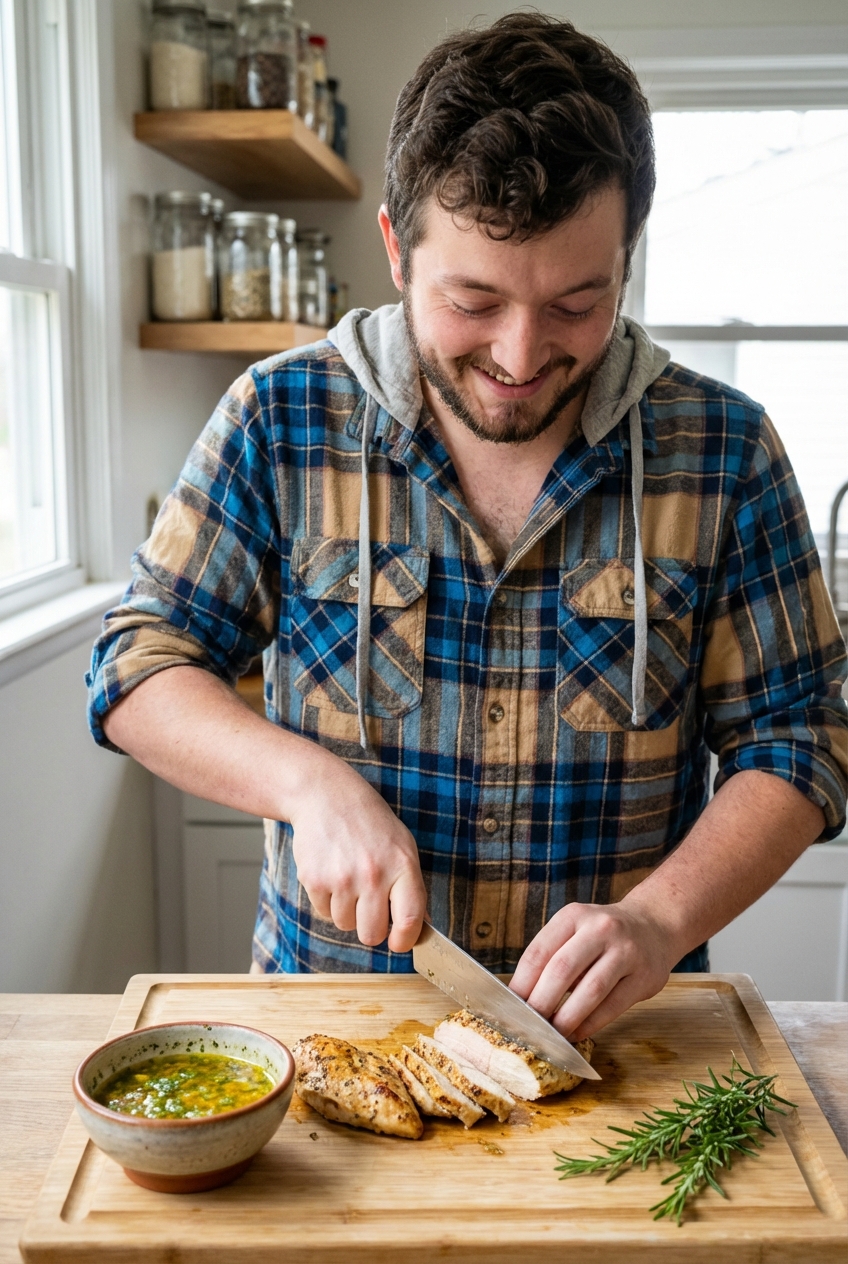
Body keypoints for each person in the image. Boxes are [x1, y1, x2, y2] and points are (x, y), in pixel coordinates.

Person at [88, 13, 847, 1042]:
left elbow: (800, 738)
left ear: (625, 258)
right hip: (330, 1034)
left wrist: (657, 919)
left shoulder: (723, 449)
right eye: (473, 299)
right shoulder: (279, 418)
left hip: (616, 1049)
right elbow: (136, 663)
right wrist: (304, 784)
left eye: (577, 301)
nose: (521, 353)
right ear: (396, 248)